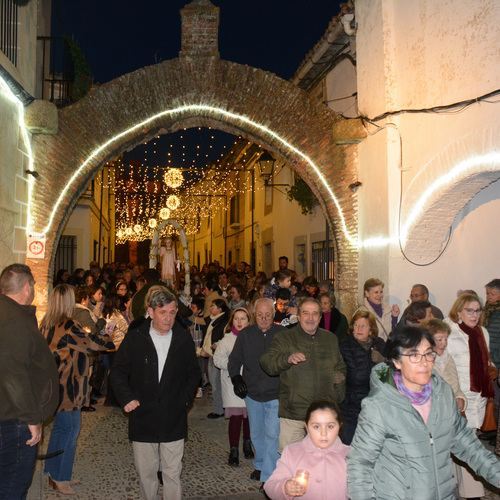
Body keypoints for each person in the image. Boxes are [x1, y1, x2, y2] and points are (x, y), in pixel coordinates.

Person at [347, 325, 500, 499]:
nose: (424, 362)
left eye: (428, 353)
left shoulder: (443, 394)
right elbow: (360, 464)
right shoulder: (379, 406)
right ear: (396, 361)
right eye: (413, 355)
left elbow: (466, 443)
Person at [110, 288, 200, 500]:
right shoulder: (136, 338)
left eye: (172, 312)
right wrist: (126, 397)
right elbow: (118, 371)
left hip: (173, 415)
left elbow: (193, 372)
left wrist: (185, 399)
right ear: (150, 312)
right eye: (163, 312)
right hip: (143, 415)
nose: (168, 318)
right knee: (147, 474)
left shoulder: (182, 338)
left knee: (172, 472)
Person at [40, 284, 115, 495]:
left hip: (54, 384)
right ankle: (61, 478)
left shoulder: (46, 323)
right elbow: (92, 344)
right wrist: (109, 336)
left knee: (59, 430)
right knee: (70, 431)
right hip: (69, 386)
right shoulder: (68, 324)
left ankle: (53, 474)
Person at [0, 264, 59, 500]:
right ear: (27, 287)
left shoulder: (9, 313)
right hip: (15, 418)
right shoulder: (13, 320)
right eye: (34, 285)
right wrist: (32, 419)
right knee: (13, 484)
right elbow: (13, 373)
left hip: (9, 414)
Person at [260, 297, 346, 452]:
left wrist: (338, 391)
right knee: (291, 463)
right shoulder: (284, 338)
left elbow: (340, 367)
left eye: (315, 314)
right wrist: (287, 359)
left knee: (322, 462)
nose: (310, 318)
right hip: (294, 414)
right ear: (298, 316)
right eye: (306, 313)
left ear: (320, 317)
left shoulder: (330, 339)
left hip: (323, 415)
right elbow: (267, 363)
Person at [228, 298, 284, 487]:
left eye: (268, 314)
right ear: (254, 315)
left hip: (276, 393)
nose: (264, 318)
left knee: (272, 434)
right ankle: (260, 464)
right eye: (260, 314)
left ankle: (268, 477)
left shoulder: (283, 334)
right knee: (257, 433)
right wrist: (236, 378)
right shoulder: (245, 335)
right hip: (252, 394)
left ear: (274, 315)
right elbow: (234, 361)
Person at [445, 293, 494, 499]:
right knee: (468, 444)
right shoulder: (450, 334)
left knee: (461, 442)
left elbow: (486, 360)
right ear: (459, 312)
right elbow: (446, 369)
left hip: (479, 396)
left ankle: (455, 483)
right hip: (460, 397)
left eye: (478, 310)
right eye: (469, 310)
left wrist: (491, 370)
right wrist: (455, 395)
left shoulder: (482, 332)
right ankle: (472, 492)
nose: (474, 315)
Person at [264, 399, 349, 500]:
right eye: (316, 427)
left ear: (339, 426)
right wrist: (285, 487)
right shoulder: (292, 453)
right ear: (307, 427)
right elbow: (270, 485)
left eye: (330, 426)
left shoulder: (350, 455)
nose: (323, 433)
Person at [213, 307, 254, 466]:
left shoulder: (253, 337)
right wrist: (233, 366)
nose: (239, 322)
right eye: (236, 319)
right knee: (236, 417)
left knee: (250, 417)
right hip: (232, 384)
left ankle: (248, 444)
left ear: (248, 321)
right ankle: (234, 449)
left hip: (250, 382)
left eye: (243, 318)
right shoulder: (226, 340)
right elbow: (218, 359)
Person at [339, 311, 385, 444]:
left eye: (364, 326)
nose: (359, 329)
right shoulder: (344, 346)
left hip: (374, 410)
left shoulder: (379, 344)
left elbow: (389, 376)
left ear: (371, 330)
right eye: (356, 325)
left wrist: (382, 360)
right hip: (350, 409)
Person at [421, 318, 466, 411]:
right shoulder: (420, 362)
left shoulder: (448, 358)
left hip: (450, 414)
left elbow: (456, 387)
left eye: (446, 339)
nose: (444, 343)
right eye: (440, 339)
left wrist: (461, 398)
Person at [200, 298, 230, 419]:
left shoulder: (223, 322)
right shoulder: (212, 320)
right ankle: (220, 407)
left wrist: (216, 345)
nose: (210, 308)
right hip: (210, 354)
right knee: (214, 382)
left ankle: (218, 409)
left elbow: (225, 337)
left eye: (213, 306)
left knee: (216, 383)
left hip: (216, 355)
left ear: (220, 309)